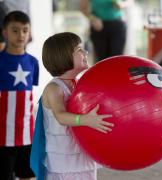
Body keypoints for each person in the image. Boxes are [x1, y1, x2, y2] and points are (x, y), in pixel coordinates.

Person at [30, 32, 114, 180]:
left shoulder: (78, 85)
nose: (85, 52)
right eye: (79, 49)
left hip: (83, 156)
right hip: (62, 162)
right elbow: (61, 116)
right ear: (63, 56)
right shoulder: (54, 88)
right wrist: (85, 120)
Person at [0, 11, 39, 180]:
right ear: (5, 32)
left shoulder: (33, 62)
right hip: (2, 136)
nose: (21, 35)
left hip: (26, 134)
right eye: (15, 30)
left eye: (25, 30)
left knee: (27, 175)